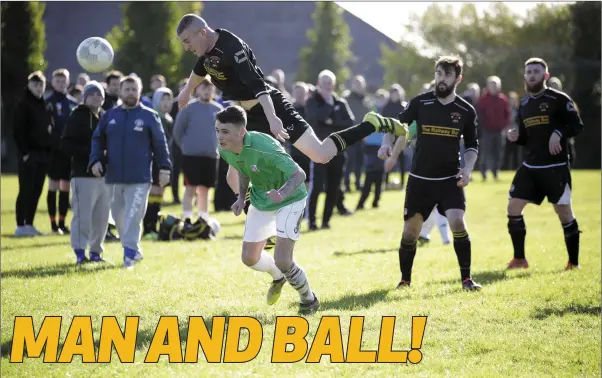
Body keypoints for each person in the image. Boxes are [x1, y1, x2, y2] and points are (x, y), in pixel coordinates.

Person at [174, 14, 406, 199]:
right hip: (249, 115)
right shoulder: (206, 50)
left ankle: (371, 124)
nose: (185, 46)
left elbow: (258, 86)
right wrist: (186, 91)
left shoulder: (232, 48)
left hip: (270, 106)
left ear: (202, 33)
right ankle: (265, 224)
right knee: (233, 178)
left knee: (321, 154)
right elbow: (200, 69)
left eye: (187, 41)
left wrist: (274, 118)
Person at [380, 55, 481, 291]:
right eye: (438, 73)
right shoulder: (420, 102)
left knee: (457, 222)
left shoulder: (465, 110)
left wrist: (467, 169)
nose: (441, 79)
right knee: (410, 233)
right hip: (420, 180)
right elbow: (394, 126)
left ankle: (467, 280)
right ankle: (405, 280)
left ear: (458, 78)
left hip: (449, 180)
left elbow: (473, 145)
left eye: (447, 74)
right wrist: (386, 143)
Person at [216, 105, 320, 315]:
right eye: (217, 130)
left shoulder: (264, 147)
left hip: (290, 199)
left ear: (241, 132)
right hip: (261, 199)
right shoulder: (224, 149)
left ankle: (309, 300)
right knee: (249, 258)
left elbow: (299, 174)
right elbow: (244, 169)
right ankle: (278, 276)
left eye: (225, 131)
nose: (219, 136)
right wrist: (240, 197)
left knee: (283, 259)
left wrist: (281, 193)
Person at [505, 58, 584, 271]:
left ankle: (573, 263)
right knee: (513, 207)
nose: (532, 75)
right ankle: (519, 259)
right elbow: (525, 137)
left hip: (555, 167)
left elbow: (577, 125)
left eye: (536, 72)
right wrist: (516, 136)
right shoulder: (523, 103)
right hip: (530, 166)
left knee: (564, 211)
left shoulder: (559, 99)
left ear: (545, 76)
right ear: (524, 76)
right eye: (528, 71)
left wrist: (559, 133)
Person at [89, 76, 172, 269]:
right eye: (127, 89)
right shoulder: (109, 115)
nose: (130, 93)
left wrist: (165, 169)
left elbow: (161, 145)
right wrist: (95, 161)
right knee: (119, 219)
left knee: (133, 216)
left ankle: (128, 257)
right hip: (113, 177)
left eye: (134, 89)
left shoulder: (150, 116)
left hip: (140, 179)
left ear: (140, 92)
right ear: (120, 91)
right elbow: (97, 140)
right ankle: (134, 250)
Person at [61, 81, 111, 264]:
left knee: (101, 218)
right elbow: (66, 144)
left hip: (105, 176)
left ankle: (96, 252)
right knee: (83, 217)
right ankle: (80, 252)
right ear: (85, 97)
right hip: (83, 174)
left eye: (99, 94)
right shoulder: (77, 116)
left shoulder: (106, 117)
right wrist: (93, 156)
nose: (96, 97)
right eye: (92, 94)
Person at [305, 70, 355, 231]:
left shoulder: (340, 102)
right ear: (318, 84)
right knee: (317, 187)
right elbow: (314, 119)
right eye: (324, 82)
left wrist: (330, 121)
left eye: (329, 83)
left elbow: (350, 122)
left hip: (338, 152)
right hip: (318, 151)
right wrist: (328, 106)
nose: (327, 86)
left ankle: (326, 221)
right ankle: (312, 222)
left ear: (333, 85)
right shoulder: (312, 101)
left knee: (333, 188)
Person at [173, 76, 223, 220]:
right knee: (190, 188)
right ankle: (187, 219)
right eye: (203, 88)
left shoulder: (218, 109)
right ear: (197, 90)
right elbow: (178, 131)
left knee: (205, 190)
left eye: (209, 88)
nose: (207, 91)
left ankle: (203, 219)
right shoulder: (188, 107)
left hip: (211, 156)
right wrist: (185, 147)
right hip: (191, 156)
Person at [13, 71, 54, 237]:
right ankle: (20, 225)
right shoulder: (23, 104)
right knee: (25, 189)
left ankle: (29, 223)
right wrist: (25, 153)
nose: (38, 88)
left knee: (37, 190)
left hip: (42, 154)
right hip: (29, 154)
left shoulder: (44, 104)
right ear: (29, 85)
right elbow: (18, 131)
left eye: (41, 85)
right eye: (35, 85)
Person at [45, 68, 78, 234]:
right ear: (52, 82)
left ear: (68, 82)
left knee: (65, 187)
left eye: (63, 81)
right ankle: (52, 225)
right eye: (57, 81)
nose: (60, 83)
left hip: (68, 151)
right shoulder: (48, 101)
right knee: (53, 185)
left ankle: (62, 223)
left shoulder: (73, 103)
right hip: (53, 151)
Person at [142, 86, 175, 239]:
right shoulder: (153, 117)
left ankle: (154, 226)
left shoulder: (169, 119)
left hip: (165, 161)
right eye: (163, 99)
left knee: (159, 194)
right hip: (154, 161)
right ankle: (148, 228)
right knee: (152, 194)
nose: (166, 103)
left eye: (169, 99)